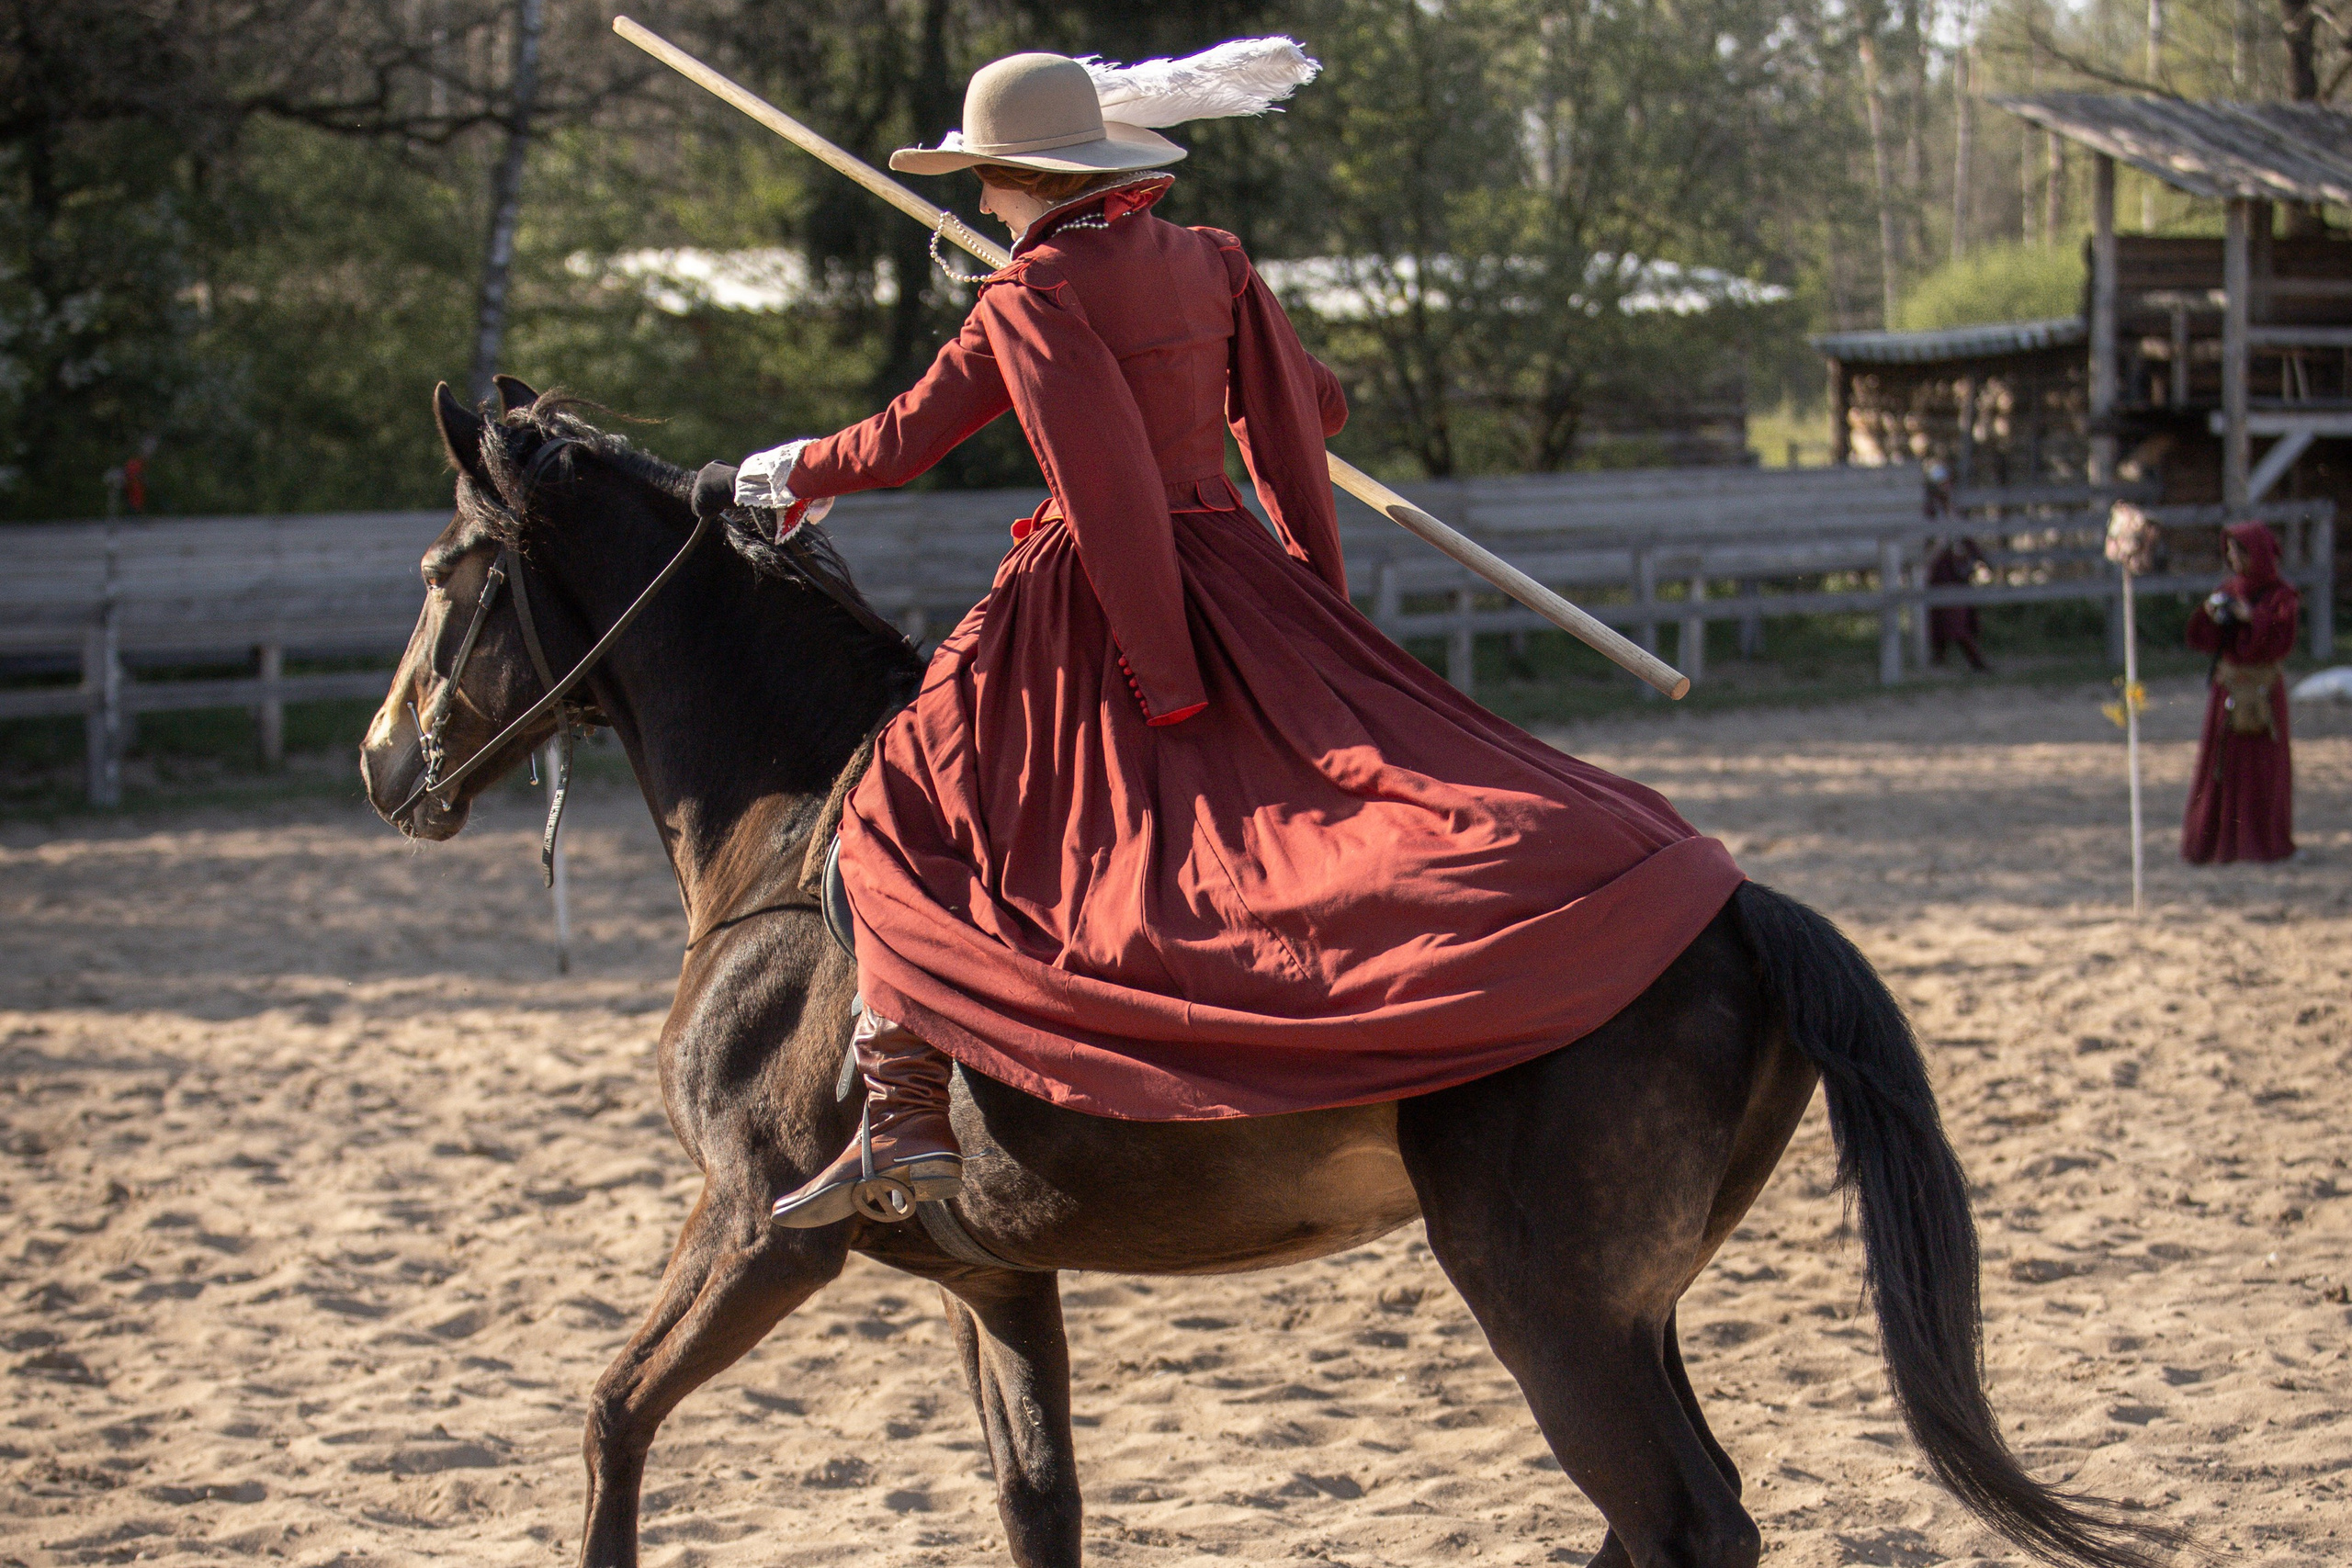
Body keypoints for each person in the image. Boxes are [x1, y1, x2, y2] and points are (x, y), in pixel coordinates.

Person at [713, 50, 1744, 1228]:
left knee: (905, 793)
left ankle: (897, 1114)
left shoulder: (1029, 296)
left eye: (982, 177)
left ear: (1009, 176)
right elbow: (1314, 401)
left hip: (1092, 586)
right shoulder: (1210, 263)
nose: (979, 198)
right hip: (1238, 569)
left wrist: (790, 469)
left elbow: (903, 440)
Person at [2181, 521, 2299, 864]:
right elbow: (2203, 640)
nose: (2231, 558)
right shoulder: (2229, 589)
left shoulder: (2282, 595)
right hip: (2228, 691)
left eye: (2237, 551)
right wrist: (2210, 614)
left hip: (2262, 694)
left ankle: (2264, 843)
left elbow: (2281, 641)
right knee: (2222, 765)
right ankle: (2219, 845)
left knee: (2262, 768)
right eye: (2229, 551)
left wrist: (2253, 617)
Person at [1926, 536, 1989, 672]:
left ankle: (1976, 662)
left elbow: (1976, 557)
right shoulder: (1938, 537)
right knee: (1943, 624)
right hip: (1942, 584)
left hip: (1958, 585)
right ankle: (1940, 659)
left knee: (1957, 625)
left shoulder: (1963, 538)